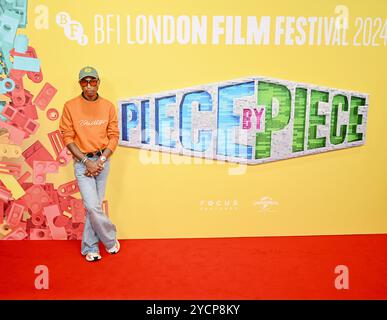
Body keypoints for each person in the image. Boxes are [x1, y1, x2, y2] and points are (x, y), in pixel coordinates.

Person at [59, 66, 120, 262]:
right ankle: (110, 239)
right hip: (82, 163)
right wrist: (87, 162)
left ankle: (91, 247)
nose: (88, 86)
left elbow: (113, 136)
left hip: (102, 162)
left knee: (94, 207)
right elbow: (67, 137)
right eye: (84, 82)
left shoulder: (108, 106)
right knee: (93, 207)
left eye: (92, 81)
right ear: (80, 84)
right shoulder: (70, 106)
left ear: (98, 83)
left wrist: (100, 161)